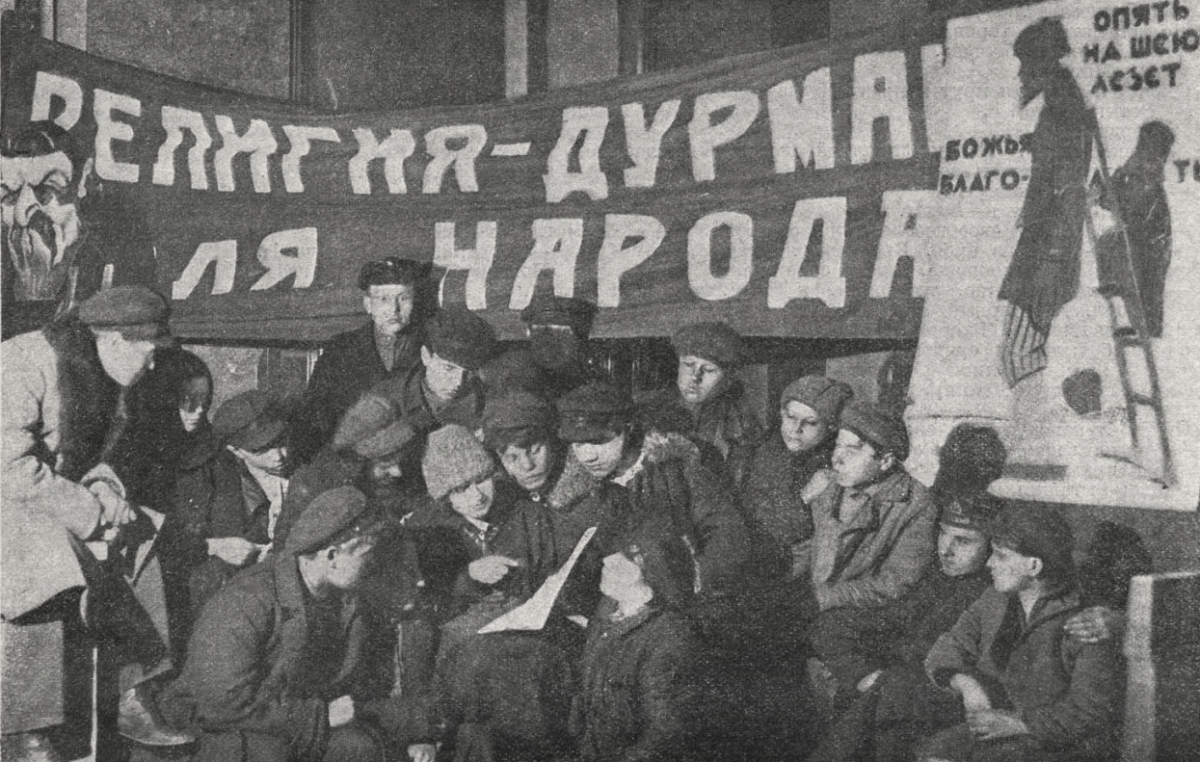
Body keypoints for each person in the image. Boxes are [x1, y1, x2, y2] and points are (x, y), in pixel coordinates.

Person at [1, 286, 182, 758]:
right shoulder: (21, 362)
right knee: (46, 558)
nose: (152, 366)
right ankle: (26, 729)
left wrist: (105, 488)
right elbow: (9, 468)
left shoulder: (108, 370)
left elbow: (97, 455)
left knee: (142, 532)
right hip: (11, 506)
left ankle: (132, 691)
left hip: (48, 502)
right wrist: (89, 509)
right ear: (115, 340)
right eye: (148, 353)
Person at [160, 486, 430, 762]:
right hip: (214, 730)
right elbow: (220, 704)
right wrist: (319, 716)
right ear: (332, 557)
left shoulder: (343, 598)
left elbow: (358, 695)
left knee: (360, 746)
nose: (375, 566)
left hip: (280, 722)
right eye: (368, 558)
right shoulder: (247, 601)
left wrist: (420, 731)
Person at [407, 424, 570, 761]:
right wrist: (468, 576)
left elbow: (555, 574)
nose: (477, 495)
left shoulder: (528, 516)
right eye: (461, 489)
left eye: (482, 480)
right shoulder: (430, 535)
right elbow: (426, 611)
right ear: (445, 496)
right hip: (467, 650)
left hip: (529, 640)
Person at [919, 505, 1122, 762]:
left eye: (1001, 556)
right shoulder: (994, 600)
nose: (989, 563)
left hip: (1055, 744)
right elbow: (948, 646)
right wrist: (966, 683)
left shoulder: (1084, 623)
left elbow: (1089, 713)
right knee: (934, 751)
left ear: (1034, 565)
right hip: (1002, 731)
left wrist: (1018, 724)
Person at [808, 493, 999, 762]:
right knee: (830, 626)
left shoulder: (994, 595)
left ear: (992, 547)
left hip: (937, 689)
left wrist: (882, 680)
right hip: (895, 681)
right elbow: (893, 620)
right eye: (943, 534)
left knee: (890, 695)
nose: (946, 549)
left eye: (964, 541)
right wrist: (864, 676)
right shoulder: (936, 577)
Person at [556, 381, 751, 598]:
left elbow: (729, 536)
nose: (588, 456)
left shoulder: (678, 474)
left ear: (628, 429)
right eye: (578, 444)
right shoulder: (578, 496)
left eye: (599, 441)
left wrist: (692, 588)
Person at [997, 16, 1093, 388]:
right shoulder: (1061, 104)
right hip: (1045, 240)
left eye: (1026, 64)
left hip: (1047, 245)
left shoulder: (1062, 109)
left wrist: (1052, 260)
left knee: (1018, 353)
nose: (1021, 74)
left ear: (1043, 62)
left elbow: (1069, 187)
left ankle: (1030, 417)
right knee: (1020, 351)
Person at [572, 527, 702, 762]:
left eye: (626, 557)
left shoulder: (668, 635)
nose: (607, 561)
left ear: (651, 570)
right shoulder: (606, 614)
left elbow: (663, 735)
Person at [292, 257, 435, 465]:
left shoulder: (432, 347)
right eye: (383, 299)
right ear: (368, 304)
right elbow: (314, 416)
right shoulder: (340, 351)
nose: (394, 309)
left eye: (403, 298)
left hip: (416, 463)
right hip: (356, 464)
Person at [797, 401, 937, 611]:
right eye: (838, 445)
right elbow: (807, 549)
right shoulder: (830, 486)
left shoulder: (916, 503)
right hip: (813, 602)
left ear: (885, 462)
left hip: (861, 612)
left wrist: (821, 598)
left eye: (852, 450)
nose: (836, 459)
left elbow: (895, 583)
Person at [370, 306, 498, 495]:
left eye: (468, 372)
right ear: (425, 356)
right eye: (449, 368)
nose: (458, 382)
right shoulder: (385, 399)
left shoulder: (491, 403)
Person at [740, 375, 853, 580]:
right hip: (761, 561)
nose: (796, 429)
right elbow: (769, 529)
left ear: (831, 427)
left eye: (810, 423)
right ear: (782, 414)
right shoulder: (761, 455)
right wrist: (806, 495)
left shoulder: (838, 462)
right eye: (791, 417)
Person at [636, 321, 763, 482]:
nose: (695, 377)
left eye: (709, 370)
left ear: (727, 378)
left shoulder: (741, 425)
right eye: (688, 364)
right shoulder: (647, 409)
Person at [1094, 119, 1175, 338]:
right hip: (1135, 236)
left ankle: (1147, 329)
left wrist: (1112, 198)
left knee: (1148, 286)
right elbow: (1114, 192)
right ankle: (1115, 287)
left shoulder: (1151, 177)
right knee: (1109, 245)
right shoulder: (1134, 166)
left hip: (1153, 242)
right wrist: (1103, 191)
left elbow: (1135, 205)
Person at [209, 390, 292, 550]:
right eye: (261, 450)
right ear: (236, 451)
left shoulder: (311, 468)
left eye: (280, 441)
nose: (278, 456)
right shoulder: (226, 490)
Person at [481, 293, 606, 399]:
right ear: (529, 334)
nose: (547, 344)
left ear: (581, 339)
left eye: (561, 334)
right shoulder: (510, 383)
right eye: (540, 333)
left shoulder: (597, 394)